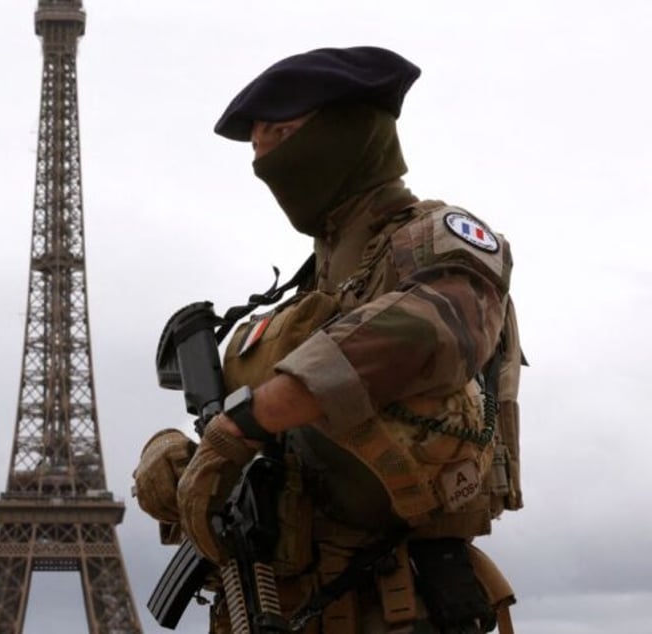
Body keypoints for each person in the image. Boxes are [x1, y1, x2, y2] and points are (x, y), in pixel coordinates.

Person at [134, 46, 524, 633]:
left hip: (394, 603)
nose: (265, 156)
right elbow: (279, 453)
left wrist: (246, 420)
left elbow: (436, 324)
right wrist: (178, 462)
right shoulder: (310, 292)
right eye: (257, 143)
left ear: (351, 134)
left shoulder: (435, 241)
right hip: (287, 603)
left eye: (282, 133)